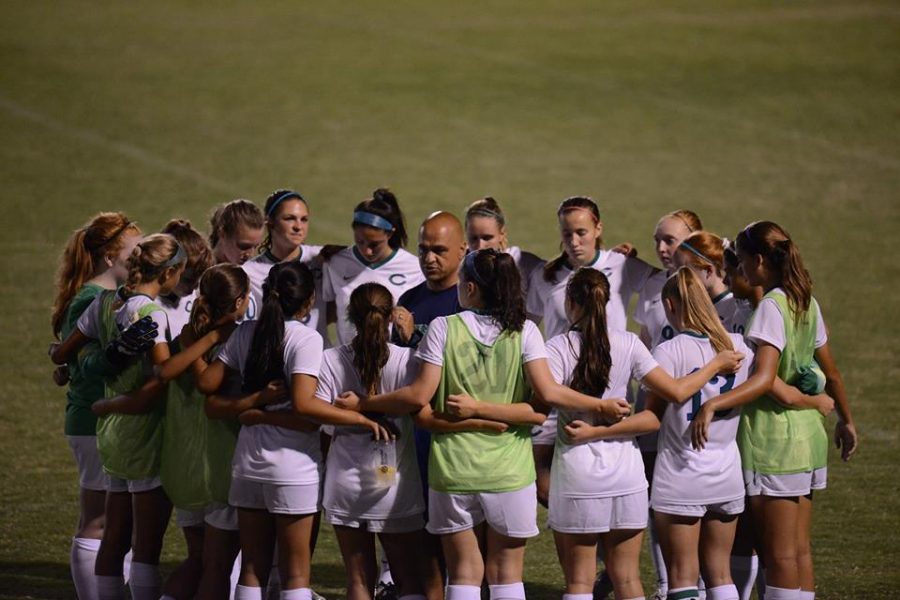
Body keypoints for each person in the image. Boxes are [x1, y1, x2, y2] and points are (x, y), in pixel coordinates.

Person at [338, 249, 634, 600]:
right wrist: (600, 404)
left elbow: (418, 398)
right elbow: (543, 401)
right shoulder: (525, 332)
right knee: (506, 574)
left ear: (472, 289)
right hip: (509, 472)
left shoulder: (443, 328)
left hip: (453, 472)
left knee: (463, 572)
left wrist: (365, 402)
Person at [541, 268, 743, 600]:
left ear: (570, 303)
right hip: (627, 475)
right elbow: (674, 393)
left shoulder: (558, 347)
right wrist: (714, 365)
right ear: (605, 302)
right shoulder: (629, 343)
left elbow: (549, 393)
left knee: (579, 581)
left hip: (579, 473)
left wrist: (598, 409)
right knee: (629, 580)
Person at [197, 261, 390, 600]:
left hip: (248, 464)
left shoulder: (245, 332)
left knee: (252, 569)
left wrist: (255, 409)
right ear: (308, 301)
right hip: (293, 469)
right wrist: (361, 418)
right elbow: (304, 407)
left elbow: (209, 388)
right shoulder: (305, 339)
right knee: (295, 574)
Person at [691, 222, 858, 600]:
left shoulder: (771, 305)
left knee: (779, 554)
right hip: (808, 438)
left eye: (744, 261)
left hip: (774, 444)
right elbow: (831, 371)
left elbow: (764, 379)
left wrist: (714, 403)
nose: (740, 270)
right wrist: (847, 421)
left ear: (761, 260)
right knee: (799, 550)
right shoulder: (805, 300)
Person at [52, 233, 188, 600]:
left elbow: (61, 353)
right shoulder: (151, 313)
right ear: (170, 273)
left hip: (111, 434)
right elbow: (163, 373)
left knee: (113, 539)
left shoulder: (104, 302)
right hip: (144, 432)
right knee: (144, 549)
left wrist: (106, 358)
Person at [50, 212, 141, 600]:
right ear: (109, 258)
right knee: (98, 521)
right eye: (134, 254)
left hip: (107, 420)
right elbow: (84, 367)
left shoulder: (104, 296)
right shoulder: (91, 298)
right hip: (93, 420)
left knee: (120, 521)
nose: (140, 261)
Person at [317, 283, 428, 600]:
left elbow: (321, 414)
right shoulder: (409, 360)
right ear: (392, 315)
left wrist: (360, 410)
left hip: (346, 480)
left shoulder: (330, 359)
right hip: (395, 482)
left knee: (358, 581)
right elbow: (419, 404)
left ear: (350, 315)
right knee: (409, 580)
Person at [630, 210, 702, 600]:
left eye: (670, 240)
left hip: (698, 413)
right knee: (660, 501)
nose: (661, 248)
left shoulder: (704, 286)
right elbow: (644, 343)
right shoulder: (656, 285)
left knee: (702, 507)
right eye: (658, 239)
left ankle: (704, 583)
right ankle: (666, 584)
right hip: (657, 409)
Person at [322, 188, 424, 345]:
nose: (366, 251)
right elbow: (326, 313)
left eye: (374, 244)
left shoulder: (414, 268)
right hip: (346, 364)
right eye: (360, 241)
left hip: (392, 365)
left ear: (390, 233)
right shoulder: (336, 262)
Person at [242, 189, 328, 341]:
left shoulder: (322, 259)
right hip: (275, 358)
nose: (298, 226)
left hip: (318, 359)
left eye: (304, 219)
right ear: (270, 223)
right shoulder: (249, 272)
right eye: (290, 218)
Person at [464, 197, 542, 296]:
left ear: (502, 234)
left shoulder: (526, 268)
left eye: (487, 238)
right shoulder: (458, 270)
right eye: (473, 239)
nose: (480, 246)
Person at [209, 199, 266, 265]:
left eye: (255, 247)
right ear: (222, 234)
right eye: (244, 247)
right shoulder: (200, 271)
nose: (250, 255)